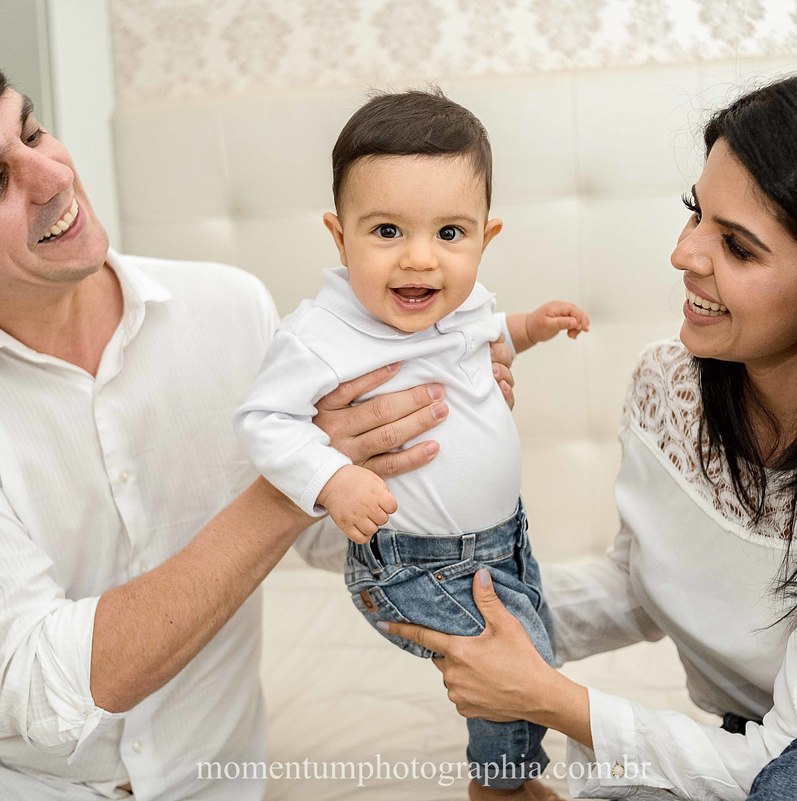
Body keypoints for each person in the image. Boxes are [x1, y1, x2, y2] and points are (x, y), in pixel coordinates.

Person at [0, 24, 472, 801]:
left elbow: (340, 541)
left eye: (31, 130)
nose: (52, 175)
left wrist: (443, 412)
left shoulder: (227, 306)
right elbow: (48, 689)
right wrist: (299, 478)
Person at [388, 72, 797, 800]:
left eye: (738, 246)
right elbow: (640, 588)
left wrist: (549, 698)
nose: (685, 253)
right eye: (696, 212)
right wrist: (465, 603)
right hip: (764, 758)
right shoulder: (670, 389)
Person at [235, 90, 588, 801]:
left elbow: (488, 335)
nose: (420, 260)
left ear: (485, 237)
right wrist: (333, 479)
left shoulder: (464, 304)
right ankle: (502, 787)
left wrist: (530, 327)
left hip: (505, 541)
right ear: (340, 237)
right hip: (412, 564)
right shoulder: (321, 335)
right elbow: (264, 422)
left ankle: (505, 772)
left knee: (530, 650)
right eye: (388, 230)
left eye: (450, 234)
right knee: (521, 665)